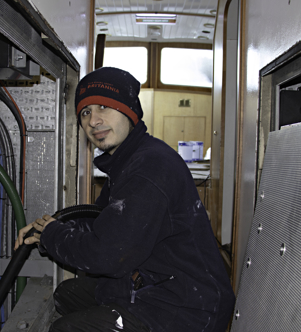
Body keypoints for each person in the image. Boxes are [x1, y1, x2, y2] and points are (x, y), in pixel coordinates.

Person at [15, 67, 235, 331]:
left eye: (104, 107)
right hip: (154, 280)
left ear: (129, 112)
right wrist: (46, 230)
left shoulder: (149, 168)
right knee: (68, 293)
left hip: (188, 306)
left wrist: (54, 236)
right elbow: (98, 220)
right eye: (85, 112)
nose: (93, 120)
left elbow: (107, 256)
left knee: (64, 329)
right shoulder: (128, 160)